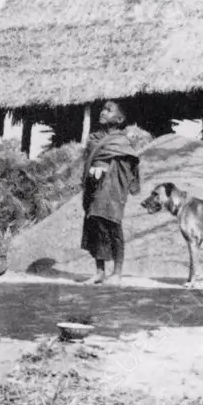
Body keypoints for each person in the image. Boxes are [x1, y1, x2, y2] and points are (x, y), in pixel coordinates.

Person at [80, 101, 141, 285]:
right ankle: (99, 272)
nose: (103, 112)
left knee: (113, 224)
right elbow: (92, 156)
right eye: (103, 109)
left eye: (109, 110)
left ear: (120, 118)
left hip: (114, 185)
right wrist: (97, 169)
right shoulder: (94, 138)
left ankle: (117, 273)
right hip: (94, 185)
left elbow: (130, 161)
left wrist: (108, 169)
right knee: (95, 224)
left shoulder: (122, 141)